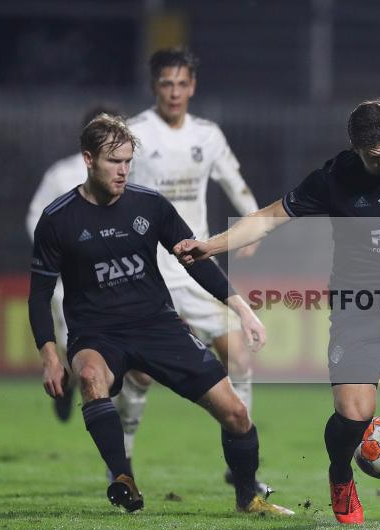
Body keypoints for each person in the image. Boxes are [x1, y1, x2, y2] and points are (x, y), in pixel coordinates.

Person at [175, 100, 380, 530]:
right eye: (373, 157)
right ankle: (341, 474)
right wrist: (209, 246)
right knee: (355, 414)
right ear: (356, 151)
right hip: (361, 305)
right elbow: (268, 218)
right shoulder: (335, 178)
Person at [28, 114, 292, 516]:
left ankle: (247, 499)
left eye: (127, 161)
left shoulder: (149, 205)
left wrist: (242, 309)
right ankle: (122, 477)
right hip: (96, 334)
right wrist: (50, 355)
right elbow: (39, 295)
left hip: (157, 327)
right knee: (89, 376)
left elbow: (196, 260)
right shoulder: (57, 219)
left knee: (236, 414)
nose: (123, 170)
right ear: (88, 159)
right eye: (114, 161)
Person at [117, 48, 267, 494]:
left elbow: (235, 182)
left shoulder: (208, 134)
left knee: (239, 356)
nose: (175, 92)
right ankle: (121, 459)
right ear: (154, 87)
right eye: (167, 84)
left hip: (196, 265)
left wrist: (251, 224)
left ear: (193, 87)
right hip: (150, 270)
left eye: (183, 84)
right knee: (141, 374)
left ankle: (241, 467)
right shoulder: (136, 134)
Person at [26, 105, 120, 422]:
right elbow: (36, 217)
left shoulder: (128, 173)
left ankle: (97, 395)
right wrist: (54, 254)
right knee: (76, 340)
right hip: (71, 280)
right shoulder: (61, 174)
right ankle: (74, 385)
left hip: (116, 277)